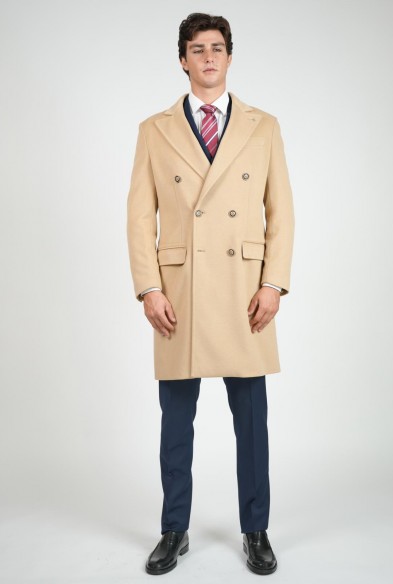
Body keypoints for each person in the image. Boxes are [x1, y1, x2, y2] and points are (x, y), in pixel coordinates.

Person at [126, 12, 294, 576]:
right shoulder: (154, 130)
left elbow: (282, 213)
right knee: (175, 427)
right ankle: (174, 529)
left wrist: (273, 282)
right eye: (197, 49)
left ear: (229, 56)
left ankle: (256, 530)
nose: (208, 57)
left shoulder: (263, 126)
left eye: (217, 48)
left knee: (252, 426)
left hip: (245, 292)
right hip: (179, 294)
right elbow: (138, 218)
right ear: (183, 60)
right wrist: (149, 288)